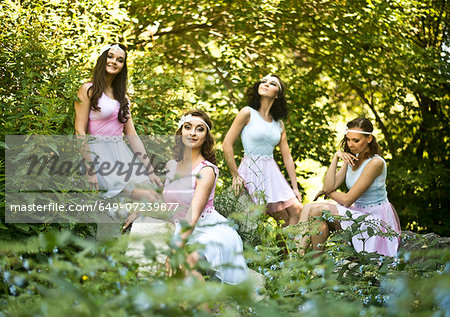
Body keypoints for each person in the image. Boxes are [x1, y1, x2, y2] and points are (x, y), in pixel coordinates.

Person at [126, 109, 248, 284]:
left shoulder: (206, 171)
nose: (192, 133)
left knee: (186, 263)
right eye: (188, 127)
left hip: (210, 231)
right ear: (180, 132)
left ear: (206, 137)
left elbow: (193, 215)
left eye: (199, 129)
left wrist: (175, 249)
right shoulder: (172, 166)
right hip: (185, 229)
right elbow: (172, 205)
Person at [300, 117, 401, 257]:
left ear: (369, 139)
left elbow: (347, 199)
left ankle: (315, 262)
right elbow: (329, 185)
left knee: (318, 211)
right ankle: (298, 252)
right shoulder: (352, 159)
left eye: (356, 140)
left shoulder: (375, 163)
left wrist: (327, 193)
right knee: (308, 207)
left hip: (374, 217)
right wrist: (336, 157)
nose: (351, 144)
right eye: (348, 140)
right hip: (358, 212)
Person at [74, 43, 162, 204]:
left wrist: (150, 171)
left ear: (123, 66)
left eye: (120, 60)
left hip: (122, 154)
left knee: (156, 198)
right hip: (100, 155)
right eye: (110, 56)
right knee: (148, 199)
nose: (114, 61)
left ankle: (133, 221)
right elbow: (79, 130)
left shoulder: (123, 98)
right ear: (102, 58)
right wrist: (90, 168)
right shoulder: (88, 90)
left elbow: (132, 136)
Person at [222, 74, 303, 226]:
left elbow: (287, 157)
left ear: (277, 94)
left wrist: (295, 187)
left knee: (295, 211)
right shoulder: (247, 112)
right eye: (264, 81)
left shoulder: (278, 124)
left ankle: (289, 250)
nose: (266, 84)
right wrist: (235, 175)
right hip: (251, 170)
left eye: (272, 83)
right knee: (251, 219)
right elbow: (226, 144)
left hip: (272, 173)